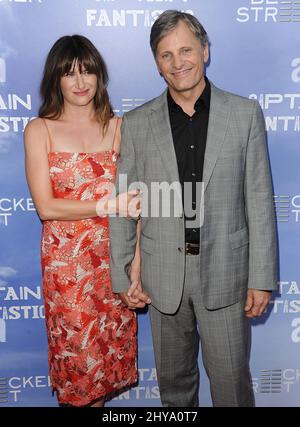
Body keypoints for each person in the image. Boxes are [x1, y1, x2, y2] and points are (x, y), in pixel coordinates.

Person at [109, 10, 278, 407]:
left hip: (227, 276)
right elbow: (124, 203)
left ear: (205, 50)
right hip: (161, 279)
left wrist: (262, 277)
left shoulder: (244, 114)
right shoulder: (135, 123)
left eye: (186, 50)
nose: (177, 62)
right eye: (165, 55)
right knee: (175, 392)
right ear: (156, 62)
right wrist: (121, 276)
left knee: (232, 388)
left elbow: (258, 198)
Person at [24, 35, 144, 407]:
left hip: (114, 264)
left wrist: (136, 266)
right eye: (70, 73)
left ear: (99, 76)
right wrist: (108, 205)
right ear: (55, 79)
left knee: (105, 372)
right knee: (79, 375)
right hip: (68, 274)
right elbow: (47, 207)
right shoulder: (39, 129)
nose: (80, 82)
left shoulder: (120, 127)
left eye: (88, 71)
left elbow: (137, 206)